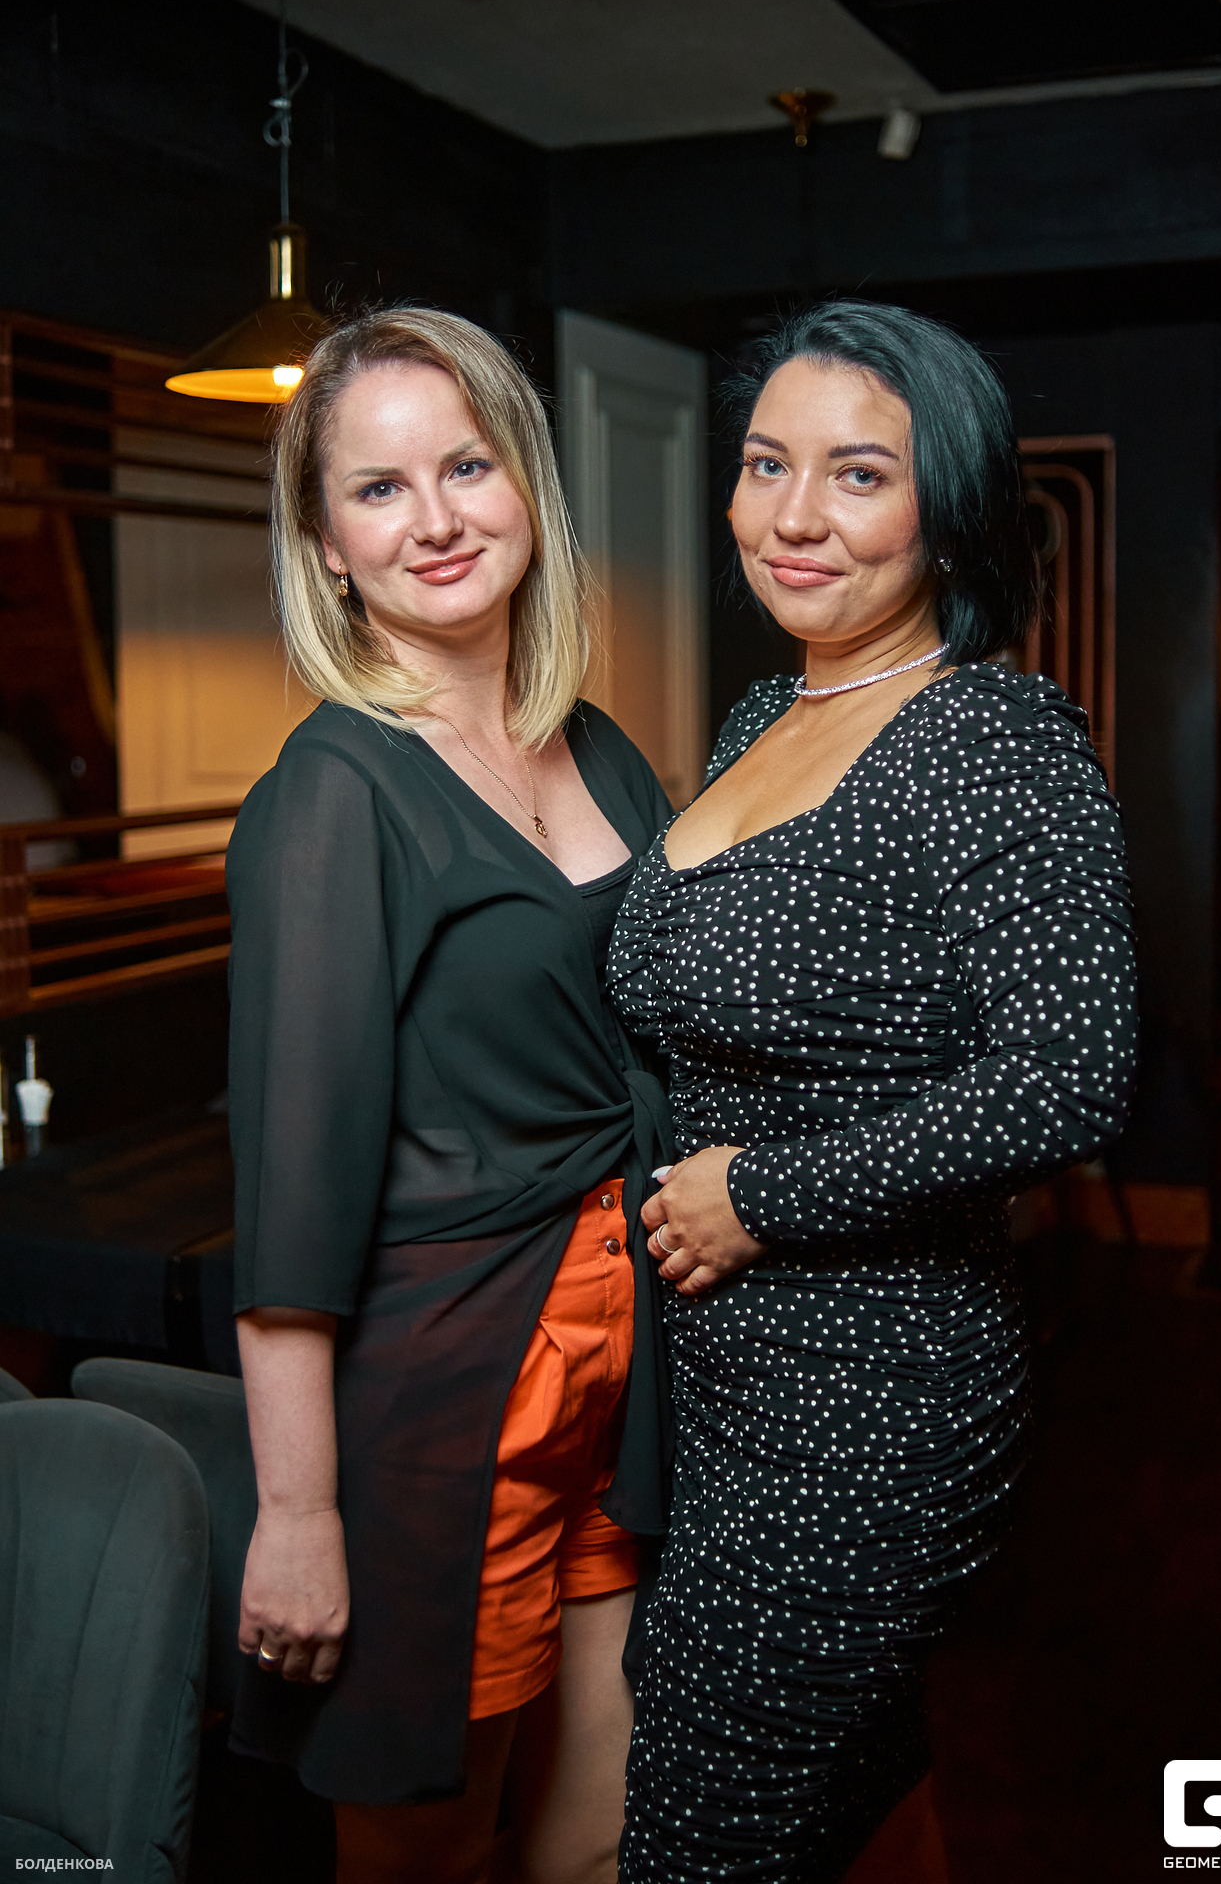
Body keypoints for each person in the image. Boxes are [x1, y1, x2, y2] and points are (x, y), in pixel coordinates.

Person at [608, 301, 1138, 1883]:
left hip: (873, 1396)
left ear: (948, 512)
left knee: (698, 1834)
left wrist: (759, 1198)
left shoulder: (992, 736)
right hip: (722, 1387)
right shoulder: (766, 715)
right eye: (765, 463)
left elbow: (1067, 1078)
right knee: (836, 1801)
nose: (791, 515)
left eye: (856, 475)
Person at [225, 307, 673, 1884]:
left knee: (602, 1836)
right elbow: (291, 1208)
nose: (434, 519)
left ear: (527, 482)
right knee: (427, 1850)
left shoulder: (599, 751)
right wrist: (298, 1515)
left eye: (466, 466)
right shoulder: (332, 795)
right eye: (378, 488)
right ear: (326, 547)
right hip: (450, 1395)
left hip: (629, 1372)